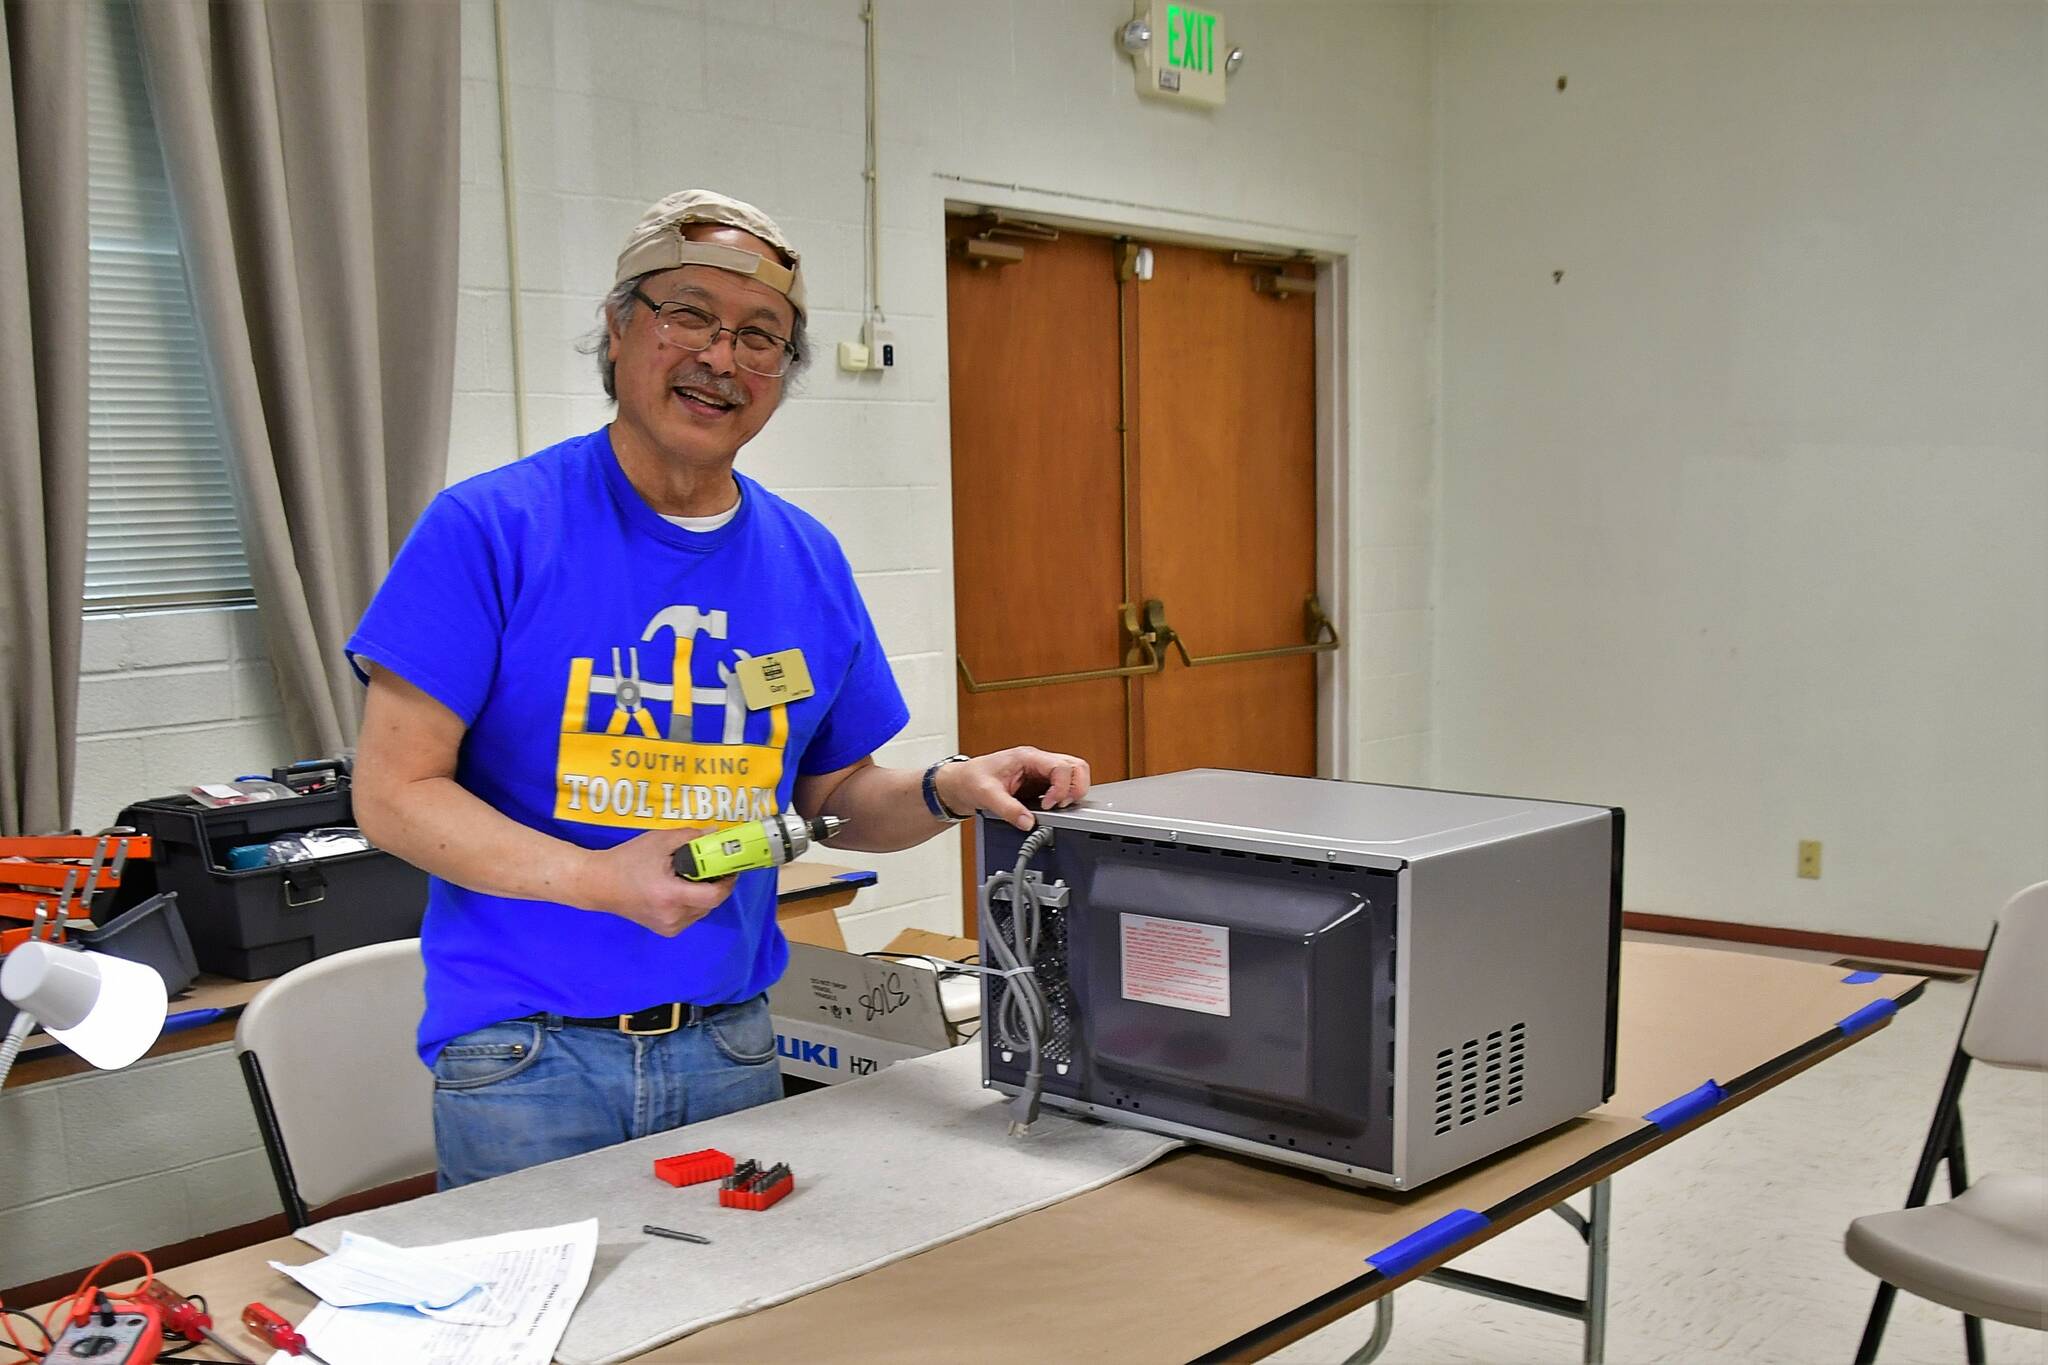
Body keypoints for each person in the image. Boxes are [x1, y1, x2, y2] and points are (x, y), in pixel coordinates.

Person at [347, 189, 1089, 1187]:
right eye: (687, 315)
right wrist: (602, 879)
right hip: (525, 1056)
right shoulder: (489, 529)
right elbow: (393, 795)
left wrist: (948, 787)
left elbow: (829, 800)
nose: (719, 356)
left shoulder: (804, 558)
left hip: (734, 1043)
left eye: (760, 337)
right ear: (616, 331)